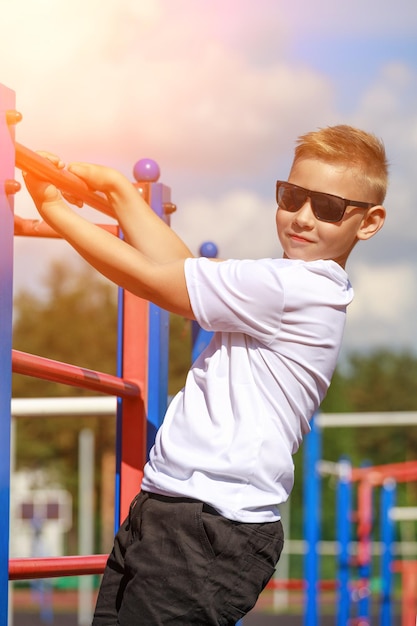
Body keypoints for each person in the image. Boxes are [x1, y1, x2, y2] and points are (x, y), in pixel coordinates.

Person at [24, 124, 387, 625]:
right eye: (293, 196)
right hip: (172, 510)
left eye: (327, 207)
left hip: (211, 526)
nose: (303, 217)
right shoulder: (281, 284)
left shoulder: (299, 287)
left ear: (368, 224)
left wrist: (56, 211)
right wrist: (123, 196)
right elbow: (182, 268)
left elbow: (157, 283)